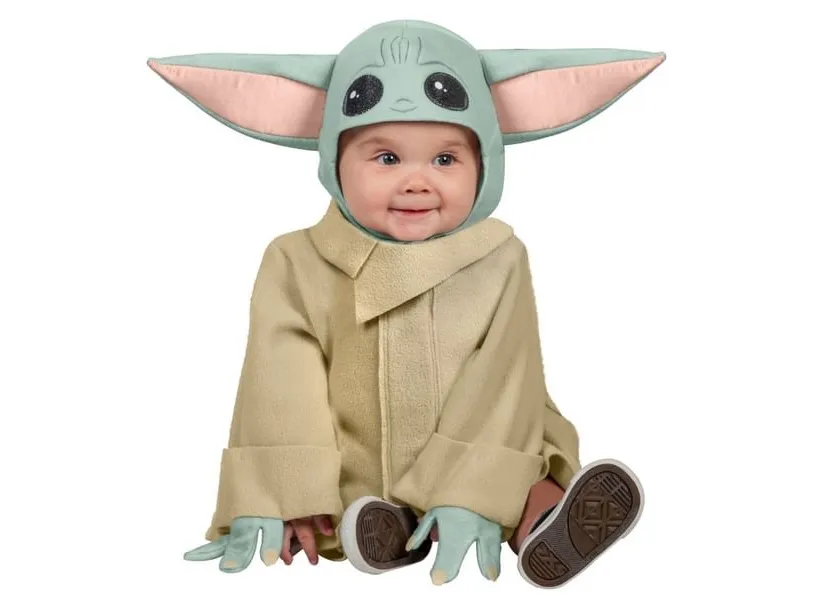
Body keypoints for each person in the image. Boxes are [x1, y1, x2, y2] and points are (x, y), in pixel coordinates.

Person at [147, 18, 664, 587]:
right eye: (387, 159)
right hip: (356, 460)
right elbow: (279, 382)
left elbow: (505, 376)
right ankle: (387, 527)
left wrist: (467, 489)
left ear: (485, 162)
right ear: (334, 160)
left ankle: (540, 523)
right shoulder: (298, 260)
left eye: (445, 160)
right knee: (352, 499)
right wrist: (285, 491)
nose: (417, 182)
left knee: (523, 471)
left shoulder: (498, 256)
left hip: (492, 443)